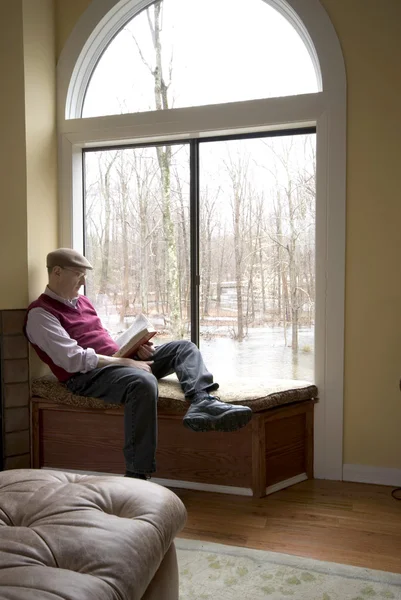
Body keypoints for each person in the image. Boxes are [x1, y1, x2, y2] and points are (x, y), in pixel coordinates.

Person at [25, 248, 252, 480]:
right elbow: (73, 360)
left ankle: (203, 402)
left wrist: (137, 349)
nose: (83, 282)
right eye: (78, 274)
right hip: (86, 375)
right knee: (142, 382)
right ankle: (137, 474)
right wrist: (124, 362)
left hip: (116, 360)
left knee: (183, 347)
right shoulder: (40, 314)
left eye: (85, 276)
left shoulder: (82, 302)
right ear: (56, 272)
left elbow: (104, 338)